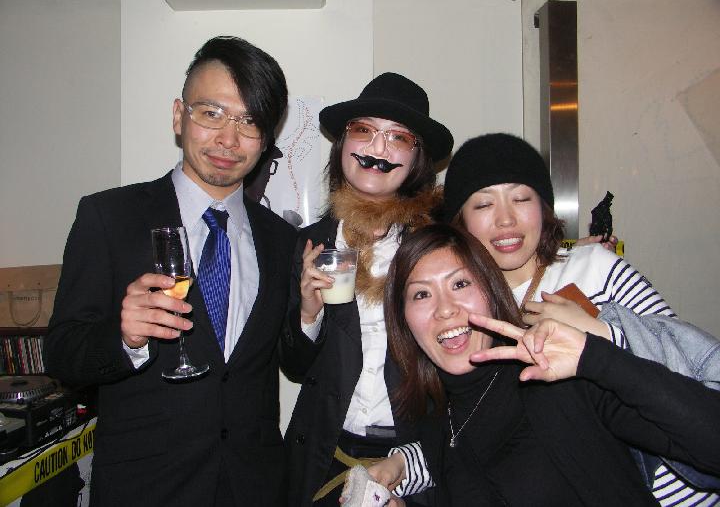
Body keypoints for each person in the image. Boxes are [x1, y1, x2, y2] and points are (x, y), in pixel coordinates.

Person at [44, 36, 296, 506]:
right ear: (179, 116)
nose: (229, 140)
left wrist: (312, 316)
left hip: (254, 486)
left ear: (266, 137)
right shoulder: (109, 217)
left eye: (249, 121)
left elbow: (289, 360)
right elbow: (61, 354)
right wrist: (124, 338)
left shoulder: (282, 240)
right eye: (212, 113)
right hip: (146, 488)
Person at [440, 132, 719, 504]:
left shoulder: (593, 268)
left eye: (521, 198)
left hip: (683, 488)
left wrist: (600, 331)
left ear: (544, 207)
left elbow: (689, 371)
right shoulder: (468, 308)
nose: (505, 219)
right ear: (461, 222)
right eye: (484, 204)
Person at [375, 223, 720, 506]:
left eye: (460, 283)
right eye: (421, 294)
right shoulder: (437, 419)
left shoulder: (553, 377)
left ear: (491, 293)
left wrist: (596, 358)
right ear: (404, 319)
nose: (445, 309)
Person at [279, 72, 453, 506]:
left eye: (398, 137)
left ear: (417, 158)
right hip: (324, 452)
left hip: (412, 458)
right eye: (364, 130)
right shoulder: (311, 242)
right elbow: (295, 367)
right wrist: (308, 312)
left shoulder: (438, 246)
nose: (377, 149)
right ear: (343, 144)